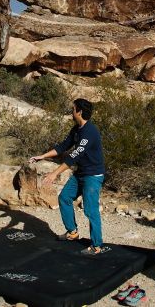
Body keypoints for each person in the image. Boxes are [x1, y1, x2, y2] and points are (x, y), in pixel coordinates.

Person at [29, 98, 106, 255]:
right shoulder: (76, 129)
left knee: (90, 210)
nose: (71, 112)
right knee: (64, 197)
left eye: (73, 109)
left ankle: (97, 246)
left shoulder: (89, 132)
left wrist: (54, 174)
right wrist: (42, 156)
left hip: (93, 175)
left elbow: (73, 157)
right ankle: (72, 232)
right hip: (81, 173)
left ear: (79, 112)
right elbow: (63, 147)